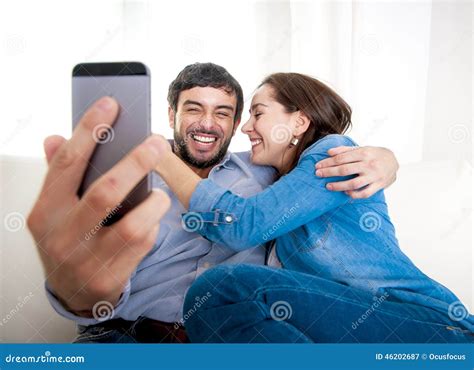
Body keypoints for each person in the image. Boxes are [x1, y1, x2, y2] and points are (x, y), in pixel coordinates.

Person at [27, 63, 399, 343]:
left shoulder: (267, 173)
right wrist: (81, 293)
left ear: (237, 123)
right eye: (193, 109)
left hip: (227, 342)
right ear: (172, 115)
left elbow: (310, 168)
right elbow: (87, 275)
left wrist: (384, 159)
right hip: (127, 337)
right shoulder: (129, 178)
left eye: (223, 113)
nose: (207, 123)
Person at [151, 72, 474, 343]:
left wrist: (161, 157)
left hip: (428, 325)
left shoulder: (333, 155)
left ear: (300, 122)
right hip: (354, 325)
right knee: (219, 313)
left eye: (258, 113)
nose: (246, 127)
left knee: (223, 289)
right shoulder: (276, 185)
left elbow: (240, 225)